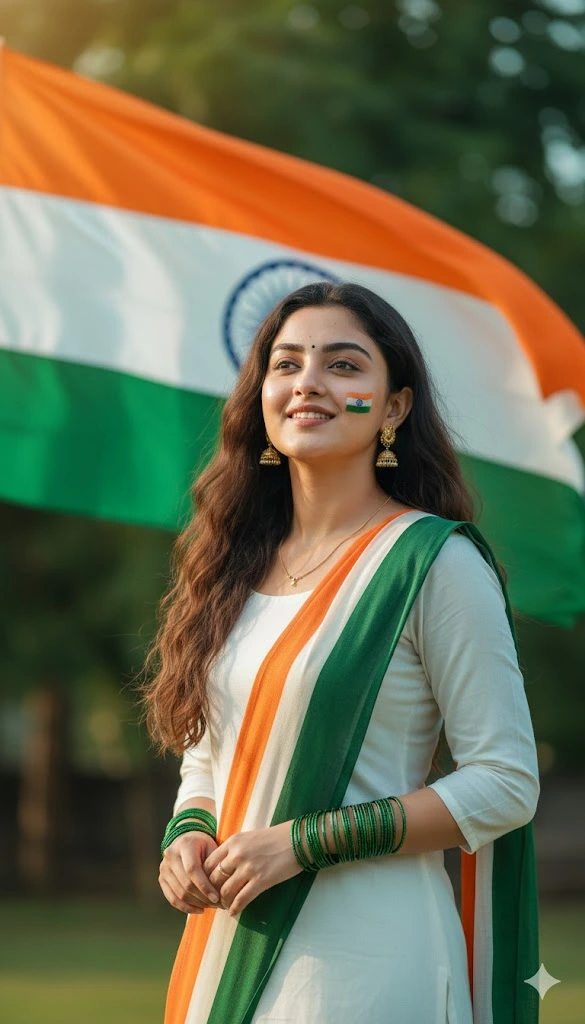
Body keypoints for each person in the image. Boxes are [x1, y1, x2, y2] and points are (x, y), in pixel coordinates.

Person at [142, 282, 541, 1024]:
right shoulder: (231, 566)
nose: (308, 383)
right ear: (261, 394)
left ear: (394, 407)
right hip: (221, 951)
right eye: (286, 364)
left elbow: (506, 782)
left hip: (364, 965)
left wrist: (304, 842)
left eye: (344, 366)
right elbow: (211, 756)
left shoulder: (431, 563)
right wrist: (188, 833)